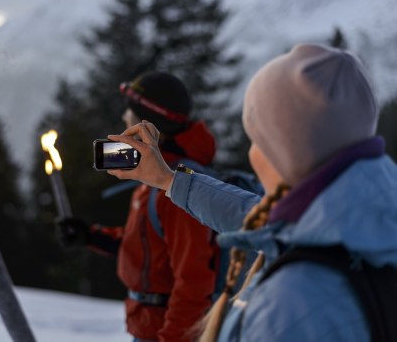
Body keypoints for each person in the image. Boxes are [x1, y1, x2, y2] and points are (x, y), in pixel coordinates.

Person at [107, 43, 397, 341]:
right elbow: (252, 214)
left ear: (282, 151)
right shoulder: (359, 222)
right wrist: (169, 180)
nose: (252, 153)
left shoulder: (292, 304)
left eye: (257, 140)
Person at [57, 71, 232, 341]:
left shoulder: (178, 187)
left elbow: (194, 282)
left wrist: (172, 338)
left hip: (166, 331)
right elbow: (149, 246)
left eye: (129, 112)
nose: (124, 119)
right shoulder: (155, 176)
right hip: (148, 326)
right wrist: (91, 235)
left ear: (147, 125)